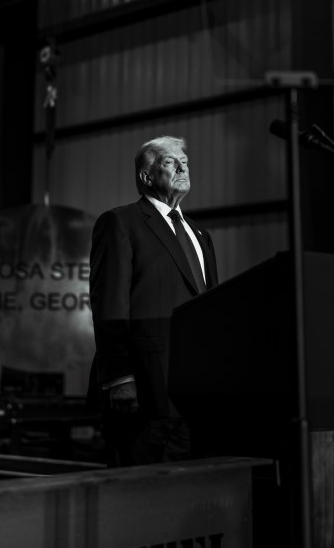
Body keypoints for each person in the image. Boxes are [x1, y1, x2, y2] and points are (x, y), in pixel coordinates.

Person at [87, 135, 219, 466]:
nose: (182, 167)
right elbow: (109, 304)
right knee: (138, 492)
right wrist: (119, 377)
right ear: (146, 176)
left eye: (185, 162)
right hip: (144, 391)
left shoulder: (201, 236)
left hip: (194, 390)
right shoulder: (120, 222)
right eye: (170, 162)